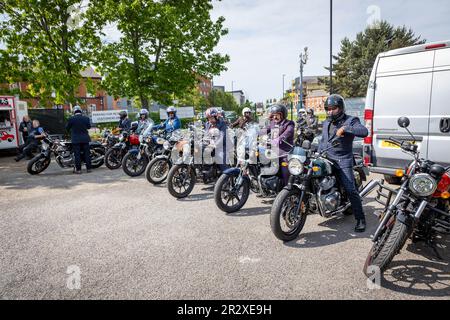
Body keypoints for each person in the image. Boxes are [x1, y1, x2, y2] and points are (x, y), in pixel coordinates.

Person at [318, 94, 369, 232]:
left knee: (350, 189)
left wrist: (346, 129)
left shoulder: (351, 120)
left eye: (333, 108)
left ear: (340, 108)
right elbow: (323, 141)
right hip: (326, 158)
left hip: (342, 160)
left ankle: (360, 219)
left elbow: (364, 131)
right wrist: (317, 152)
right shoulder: (327, 123)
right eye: (328, 109)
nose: (330, 111)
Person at [266, 105, 295, 187]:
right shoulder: (272, 123)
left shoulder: (289, 123)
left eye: (277, 115)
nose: (275, 117)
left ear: (282, 115)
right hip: (273, 152)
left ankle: (288, 190)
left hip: (284, 152)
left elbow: (288, 132)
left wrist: (278, 139)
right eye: (273, 114)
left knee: (285, 171)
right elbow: (265, 130)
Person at [66, 106, 92, 174]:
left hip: (75, 139)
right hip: (85, 139)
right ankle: (88, 169)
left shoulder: (71, 119)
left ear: (74, 111)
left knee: (77, 155)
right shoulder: (86, 118)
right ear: (81, 111)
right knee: (87, 154)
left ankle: (79, 170)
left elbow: (67, 128)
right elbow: (89, 127)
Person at [204, 107, 229, 171]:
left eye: (212, 118)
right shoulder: (207, 124)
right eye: (209, 118)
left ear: (216, 117)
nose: (210, 120)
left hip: (222, 145)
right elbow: (206, 134)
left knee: (221, 159)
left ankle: (226, 177)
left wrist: (215, 145)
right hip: (210, 144)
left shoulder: (222, 123)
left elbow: (223, 137)